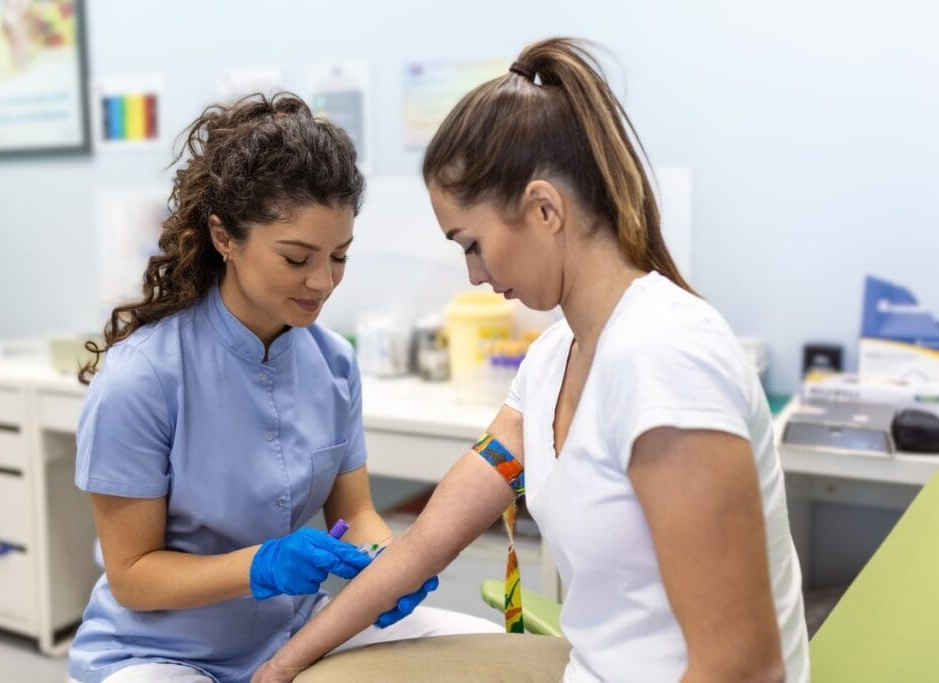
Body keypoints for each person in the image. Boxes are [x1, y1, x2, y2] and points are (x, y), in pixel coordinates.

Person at [253, 38, 810, 683]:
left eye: (474, 244)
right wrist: (284, 665)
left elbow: (743, 667)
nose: (474, 274)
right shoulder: (552, 362)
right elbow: (426, 545)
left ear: (545, 209)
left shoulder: (665, 359)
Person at [67, 93, 500, 683]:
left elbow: (358, 513)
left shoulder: (334, 364)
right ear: (224, 235)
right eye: (296, 258)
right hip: (159, 654)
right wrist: (261, 566)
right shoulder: (142, 378)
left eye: (339, 256)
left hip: (297, 632)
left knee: (483, 650)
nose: (322, 282)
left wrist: (386, 563)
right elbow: (133, 575)